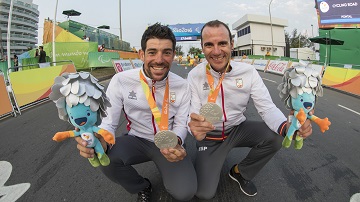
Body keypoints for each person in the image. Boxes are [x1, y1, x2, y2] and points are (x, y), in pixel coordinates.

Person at [187, 20, 313, 199]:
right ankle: (207, 161)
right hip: (209, 138)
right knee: (204, 194)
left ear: (231, 44)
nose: (216, 51)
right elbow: (190, 114)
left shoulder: (248, 72)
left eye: (222, 43)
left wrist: (287, 127)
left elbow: (267, 107)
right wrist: (192, 128)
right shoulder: (194, 76)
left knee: (277, 136)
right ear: (202, 47)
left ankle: (240, 172)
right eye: (209, 45)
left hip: (237, 130)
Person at [75, 23, 197, 202]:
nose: (159, 59)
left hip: (169, 141)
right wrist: (101, 138)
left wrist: (177, 141)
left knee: (185, 193)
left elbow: (180, 124)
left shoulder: (182, 85)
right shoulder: (121, 80)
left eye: (167, 52)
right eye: (152, 52)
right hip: (137, 140)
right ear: (142, 54)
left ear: (173, 55)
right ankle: (142, 186)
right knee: (105, 157)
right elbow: (108, 122)